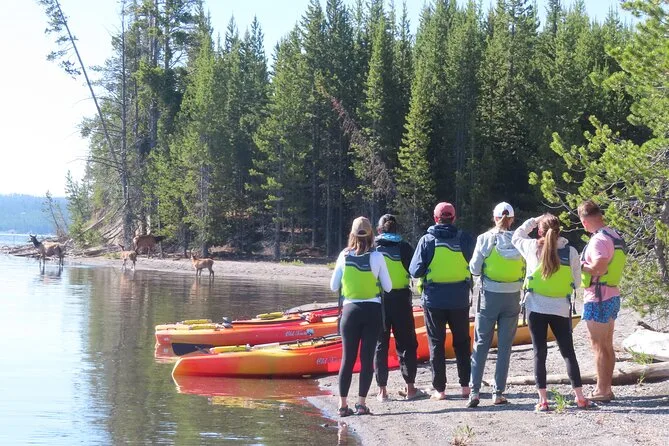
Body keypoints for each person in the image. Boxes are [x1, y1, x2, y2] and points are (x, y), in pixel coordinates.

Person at [512, 213, 594, 411]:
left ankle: (543, 401)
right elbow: (576, 282)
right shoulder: (571, 251)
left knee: (539, 353)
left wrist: (534, 220)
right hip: (561, 309)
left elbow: (516, 236)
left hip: (536, 307)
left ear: (540, 231)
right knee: (568, 352)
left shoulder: (531, 247)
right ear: (559, 231)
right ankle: (580, 398)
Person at [409, 202, 475, 400]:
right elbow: (476, 264)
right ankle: (465, 387)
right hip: (459, 300)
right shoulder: (465, 239)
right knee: (462, 343)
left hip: (434, 301)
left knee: (436, 344)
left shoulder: (427, 240)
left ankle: (440, 390)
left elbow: (415, 271)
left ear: (435, 218)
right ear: (454, 218)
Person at [330, 216, 392, 417]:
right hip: (372, 312)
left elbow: (333, 286)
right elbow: (388, 287)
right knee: (366, 359)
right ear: (371, 234)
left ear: (352, 234)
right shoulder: (377, 256)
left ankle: (342, 405)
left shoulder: (344, 255)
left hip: (350, 312)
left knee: (347, 359)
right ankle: (361, 404)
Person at [467, 202, 524, 407]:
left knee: (481, 343)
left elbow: (474, 269)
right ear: (512, 219)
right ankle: (498, 393)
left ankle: (474, 392)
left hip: (489, 296)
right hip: (513, 296)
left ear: (495, 217)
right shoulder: (520, 241)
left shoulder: (485, 239)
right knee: (505, 346)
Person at [578, 200, 626, 402]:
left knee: (598, 346)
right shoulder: (613, 235)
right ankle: (606, 388)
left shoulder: (598, 240)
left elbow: (599, 268)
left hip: (598, 297)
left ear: (584, 221)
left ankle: (602, 390)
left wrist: (580, 265)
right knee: (607, 345)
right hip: (611, 294)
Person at [373, 214, 423, 402]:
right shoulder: (404, 247)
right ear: (396, 229)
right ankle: (410, 388)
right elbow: (415, 271)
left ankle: (382, 391)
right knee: (407, 344)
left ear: (379, 229)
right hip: (401, 300)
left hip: (378, 301)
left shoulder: (373, 247)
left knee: (380, 345)